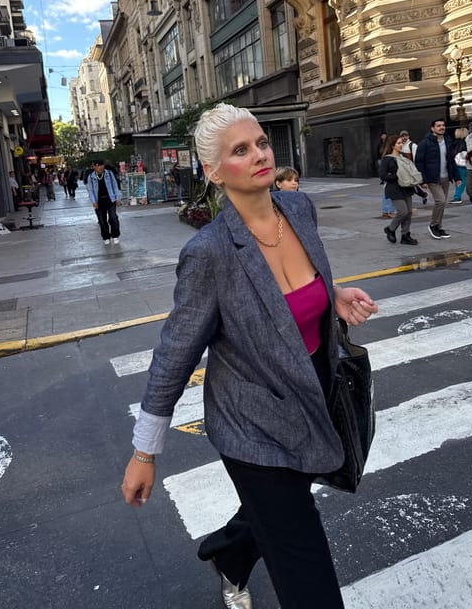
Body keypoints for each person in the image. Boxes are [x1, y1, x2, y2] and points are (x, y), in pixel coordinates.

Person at [121, 103, 378, 609]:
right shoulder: (210, 253)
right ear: (214, 172)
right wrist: (144, 452)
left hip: (312, 398)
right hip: (252, 424)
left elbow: (298, 288)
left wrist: (332, 296)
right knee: (306, 568)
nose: (260, 154)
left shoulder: (298, 208)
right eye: (241, 150)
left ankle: (228, 553)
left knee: (279, 509)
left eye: (261, 142)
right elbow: (174, 354)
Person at [415, 119, 461, 239]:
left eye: (443, 125)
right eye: (438, 126)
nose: (442, 127)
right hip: (432, 178)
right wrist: (423, 180)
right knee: (440, 201)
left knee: (443, 203)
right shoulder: (425, 143)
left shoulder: (447, 141)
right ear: (432, 128)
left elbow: (451, 160)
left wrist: (457, 177)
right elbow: (419, 162)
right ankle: (433, 225)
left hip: (445, 177)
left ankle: (439, 227)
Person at [378, 134, 418, 245]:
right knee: (403, 211)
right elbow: (383, 176)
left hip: (406, 188)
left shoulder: (404, 157)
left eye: (402, 143)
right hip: (394, 189)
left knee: (409, 212)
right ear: (392, 145)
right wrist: (396, 176)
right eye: (399, 143)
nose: (401, 145)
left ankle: (405, 235)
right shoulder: (386, 159)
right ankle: (390, 229)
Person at [87, 159, 121, 245]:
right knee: (102, 220)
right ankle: (106, 236)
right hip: (99, 202)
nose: (100, 167)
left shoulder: (109, 174)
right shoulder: (91, 177)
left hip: (110, 199)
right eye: (98, 165)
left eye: (102, 165)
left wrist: (117, 198)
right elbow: (90, 190)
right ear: (94, 166)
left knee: (113, 218)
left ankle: (115, 235)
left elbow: (115, 186)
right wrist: (93, 201)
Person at [376, 132, 396, 218]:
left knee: (389, 194)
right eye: (398, 143)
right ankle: (388, 211)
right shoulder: (387, 156)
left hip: (391, 178)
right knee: (388, 194)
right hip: (390, 178)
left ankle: (388, 211)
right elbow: (383, 173)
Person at [449, 128, 468, 204]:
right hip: (464, 164)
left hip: (457, 164)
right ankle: (457, 197)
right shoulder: (465, 142)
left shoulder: (455, 143)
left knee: (459, 180)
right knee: (462, 180)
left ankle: (457, 197)